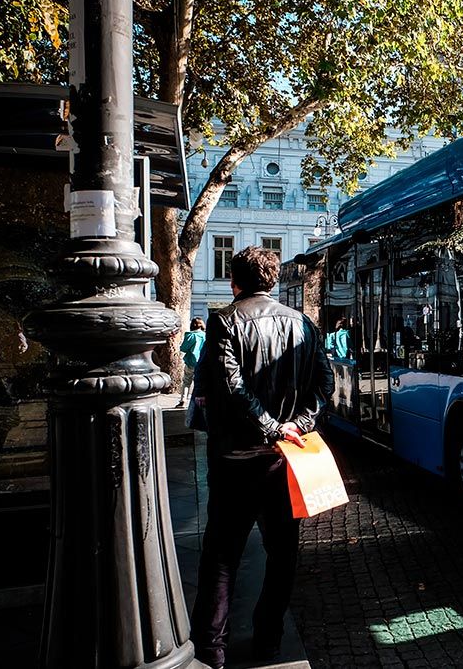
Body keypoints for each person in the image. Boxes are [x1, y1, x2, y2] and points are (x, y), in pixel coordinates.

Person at [190, 246, 334, 668]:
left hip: (235, 458)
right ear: (271, 281)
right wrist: (296, 425)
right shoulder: (303, 324)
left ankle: (211, 648)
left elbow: (231, 388)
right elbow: (324, 385)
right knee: (283, 553)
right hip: (281, 459)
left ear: (235, 282)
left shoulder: (225, 321)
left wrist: (270, 425)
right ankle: (268, 639)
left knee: (221, 556)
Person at [177, 317, 206, 408]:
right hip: (202, 363)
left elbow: (183, 348)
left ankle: (183, 400)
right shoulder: (205, 335)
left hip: (190, 362)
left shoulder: (190, 335)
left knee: (186, 382)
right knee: (202, 382)